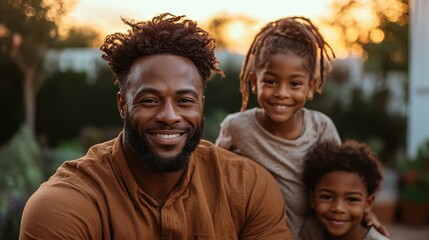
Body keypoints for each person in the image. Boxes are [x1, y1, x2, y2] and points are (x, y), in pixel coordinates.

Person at [19, 13, 294, 239]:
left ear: (201, 104)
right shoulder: (65, 205)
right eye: (150, 100)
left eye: (185, 100)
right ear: (122, 105)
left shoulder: (248, 188)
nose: (169, 116)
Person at [215, 16, 387, 239]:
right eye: (270, 81)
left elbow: (341, 181)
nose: (282, 93)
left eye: (295, 84)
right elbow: (215, 177)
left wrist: (367, 213)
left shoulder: (320, 128)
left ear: (310, 86)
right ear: (254, 81)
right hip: (258, 232)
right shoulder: (237, 127)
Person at [303, 140, 389, 240]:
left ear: (368, 203)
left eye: (352, 199)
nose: (338, 208)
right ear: (312, 198)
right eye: (327, 197)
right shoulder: (308, 232)